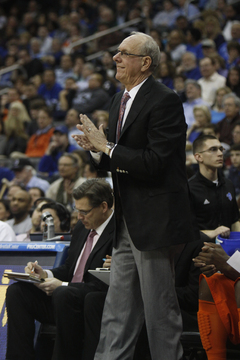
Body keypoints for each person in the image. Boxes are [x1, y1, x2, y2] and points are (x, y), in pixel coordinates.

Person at [73, 31, 197, 360]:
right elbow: (115, 160)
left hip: (156, 222)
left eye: (124, 53)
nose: (115, 58)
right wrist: (97, 153)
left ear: (145, 62)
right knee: (118, 311)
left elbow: (155, 163)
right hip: (125, 219)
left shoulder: (164, 99)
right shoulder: (117, 100)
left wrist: (108, 147)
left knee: (159, 313)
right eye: (116, 52)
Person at [5, 179, 114, 360]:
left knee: (63, 294)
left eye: (84, 211)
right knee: (17, 292)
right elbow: (70, 267)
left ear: (103, 207)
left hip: (93, 302)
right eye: (77, 210)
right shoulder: (81, 227)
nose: (79, 216)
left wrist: (62, 285)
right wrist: (46, 274)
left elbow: (103, 284)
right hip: (66, 297)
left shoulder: (120, 232)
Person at [189, 134, 240, 240]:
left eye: (221, 149)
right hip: (201, 250)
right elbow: (185, 230)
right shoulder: (189, 188)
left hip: (228, 249)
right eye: (213, 149)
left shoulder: (228, 184)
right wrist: (212, 233)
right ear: (199, 157)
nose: (220, 154)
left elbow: (234, 220)